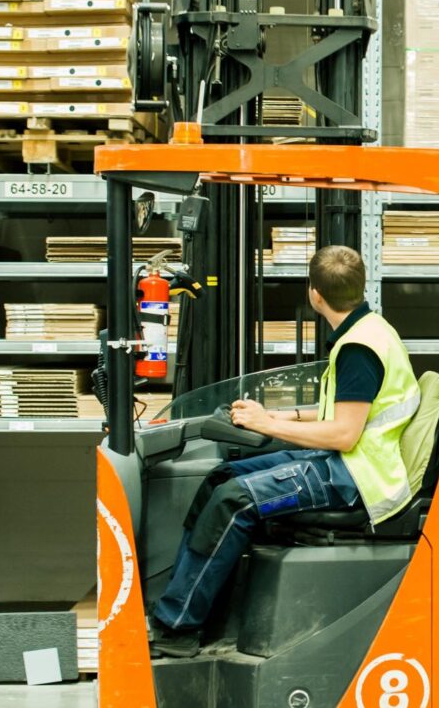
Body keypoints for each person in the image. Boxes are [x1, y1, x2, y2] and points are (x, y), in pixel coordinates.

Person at [150, 245, 420, 657]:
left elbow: (345, 434)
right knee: (221, 478)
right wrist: (283, 415)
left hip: (356, 477)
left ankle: (179, 629)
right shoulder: (368, 330)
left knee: (235, 502)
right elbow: (345, 409)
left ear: (314, 294)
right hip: (346, 463)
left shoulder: (359, 349)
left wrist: (267, 425)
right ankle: (190, 601)